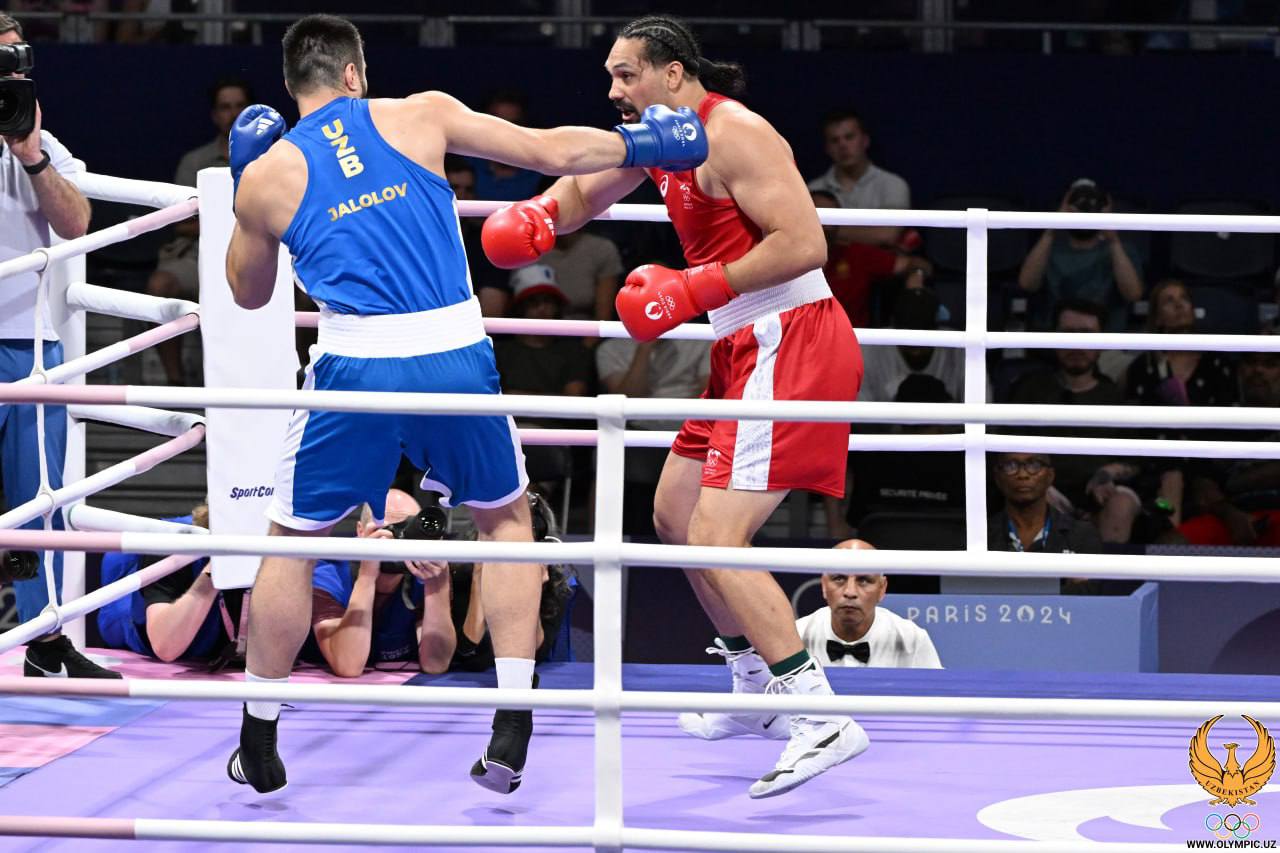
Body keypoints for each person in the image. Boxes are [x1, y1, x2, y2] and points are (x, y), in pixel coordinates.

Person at [222, 14, 706, 796]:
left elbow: (248, 295)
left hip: (354, 362)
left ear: (292, 85)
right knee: (504, 520)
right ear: (354, 73)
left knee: (293, 541)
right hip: (452, 350)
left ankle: (259, 737)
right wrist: (646, 145)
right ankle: (512, 721)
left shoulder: (269, 174)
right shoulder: (422, 113)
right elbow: (551, 151)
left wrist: (244, 190)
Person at [482, 14, 867, 798]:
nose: (613, 89)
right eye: (610, 75)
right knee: (675, 512)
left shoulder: (735, 133)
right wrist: (543, 216)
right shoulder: (661, 139)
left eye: (625, 73)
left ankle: (819, 713)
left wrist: (693, 288)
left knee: (720, 534)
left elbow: (805, 243)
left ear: (673, 73)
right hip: (741, 340)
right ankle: (754, 682)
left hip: (790, 334)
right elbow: (588, 183)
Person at [0, 13, 112, 680]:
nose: (12, 71)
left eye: (18, 59)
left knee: (40, 498)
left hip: (29, 348)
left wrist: (32, 155)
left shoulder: (40, 142)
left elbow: (76, 223)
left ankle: (45, 638)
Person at [680, 539, 940, 741]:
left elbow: (936, 712)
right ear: (824, 585)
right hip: (808, 738)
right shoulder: (792, 635)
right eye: (839, 579)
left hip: (894, 743)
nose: (850, 592)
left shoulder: (911, 637)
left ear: (882, 589)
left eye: (864, 581)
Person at [308, 489, 573, 676]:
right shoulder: (329, 571)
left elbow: (435, 663)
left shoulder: (422, 574)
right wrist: (368, 575)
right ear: (360, 531)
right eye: (389, 530)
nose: (398, 541)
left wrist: (438, 584)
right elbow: (349, 665)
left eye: (407, 530)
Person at [146, 77, 251, 385]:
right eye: (225, 107)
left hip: (260, 253)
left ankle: (298, 378)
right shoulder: (194, 162)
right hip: (200, 256)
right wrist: (236, 218)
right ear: (215, 115)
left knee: (305, 291)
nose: (233, 114)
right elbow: (179, 223)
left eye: (239, 106)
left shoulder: (272, 156)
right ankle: (176, 385)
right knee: (160, 285)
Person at [97, 503, 244, 667]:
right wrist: (215, 571)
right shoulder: (173, 542)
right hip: (135, 608)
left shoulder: (267, 539)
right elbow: (165, 647)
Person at [1016, 178, 1144, 332]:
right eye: (1078, 203)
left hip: (1107, 339)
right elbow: (1027, 284)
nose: (1085, 210)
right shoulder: (1047, 250)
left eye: (1092, 203)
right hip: (1055, 339)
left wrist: (1113, 239)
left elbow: (1133, 294)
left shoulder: (1122, 251)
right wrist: (1052, 228)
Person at [811, 189, 931, 330]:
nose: (825, 224)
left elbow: (917, 264)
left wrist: (917, 275)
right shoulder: (790, 257)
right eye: (818, 215)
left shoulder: (855, 254)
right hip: (802, 336)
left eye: (831, 217)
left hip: (853, 337)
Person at [806, 108, 911, 247]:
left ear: (865, 141)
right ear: (827, 148)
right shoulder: (811, 190)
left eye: (849, 137)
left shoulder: (893, 185)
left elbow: (886, 235)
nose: (842, 145)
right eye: (834, 140)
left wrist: (826, 229)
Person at [858, 288, 968, 402]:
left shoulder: (960, 347)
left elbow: (978, 404)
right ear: (894, 326)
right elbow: (860, 410)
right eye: (908, 334)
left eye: (923, 334)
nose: (915, 345)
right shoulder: (869, 347)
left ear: (936, 328)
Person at [988, 452, 1103, 555]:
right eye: (1010, 466)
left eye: (1034, 465)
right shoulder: (981, 534)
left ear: (1050, 476)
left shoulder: (1082, 535)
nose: (1022, 475)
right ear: (997, 477)